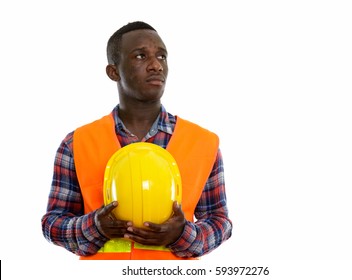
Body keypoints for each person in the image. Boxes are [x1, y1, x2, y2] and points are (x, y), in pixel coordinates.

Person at [41, 21, 232, 260]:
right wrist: (94, 227)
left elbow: (220, 222)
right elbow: (53, 223)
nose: (155, 66)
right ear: (114, 72)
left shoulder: (204, 143)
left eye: (161, 56)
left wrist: (183, 234)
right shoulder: (76, 143)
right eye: (141, 56)